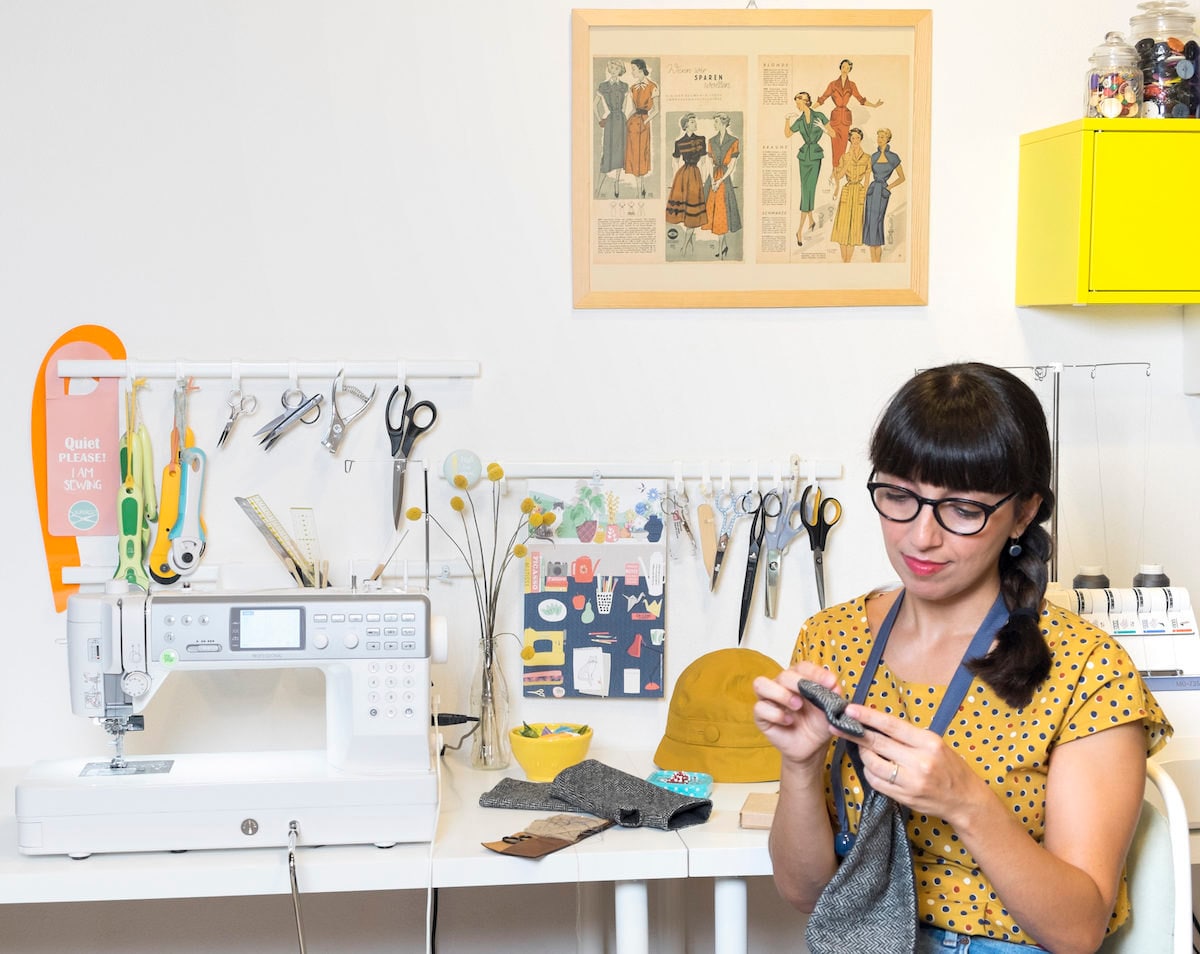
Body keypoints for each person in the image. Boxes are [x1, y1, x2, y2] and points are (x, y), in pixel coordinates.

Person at [753, 362, 1171, 954]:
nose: (921, 537)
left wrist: (965, 800)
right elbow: (806, 892)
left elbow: (1078, 930)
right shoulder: (830, 639)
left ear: (1024, 512)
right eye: (899, 496)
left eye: (963, 509)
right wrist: (798, 768)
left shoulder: (1088, 669)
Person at [784, 92, 828, 246]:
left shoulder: (820, 116)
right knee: (805, 189)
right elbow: (788, 134)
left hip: (815, 156)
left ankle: (799, 230)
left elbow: (834, 134)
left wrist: (824, 128)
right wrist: (787, 119)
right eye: (796, 103)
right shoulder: (800, 120)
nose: (797, 105)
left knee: (809, 189)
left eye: (798, 102)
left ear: (806, 102)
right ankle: (810, 220)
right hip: (803, 158)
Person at [665, 113, 707, 255]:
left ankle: (685, 246)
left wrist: (705, 177)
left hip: (695, 175)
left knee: (693, 213)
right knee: (686, 213)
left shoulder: (701, 140)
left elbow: (703, 161)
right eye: (692, 122)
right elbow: (675, 161)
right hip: (682, 176)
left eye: (695, 121)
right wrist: (675, 179)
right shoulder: (679, 142)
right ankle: (687, 246)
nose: (695, 123)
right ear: (686, 125)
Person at [863, 128, 906, 263]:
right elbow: (867, 175)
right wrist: (864, 192)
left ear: (888, 139)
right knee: (870, 222)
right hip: (872, 191)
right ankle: (873, 261)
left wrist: (888, 187)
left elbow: (902, 178)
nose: (879, 139)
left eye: (882, 137)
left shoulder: (894, 157)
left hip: (882, 192)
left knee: (877, 221)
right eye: (878, 136)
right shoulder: (873, 157)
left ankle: (878, 261)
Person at [703, 113, 742, 259]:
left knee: (721, 212)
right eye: (714, 122)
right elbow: (708, 161)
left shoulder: (734, 141)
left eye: (717, 122)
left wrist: (720, 181)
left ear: (724, 123)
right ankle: (724, 246)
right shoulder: (711, 140)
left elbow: (732, 165)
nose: (715, 125)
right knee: (713, 212)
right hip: (712, 177)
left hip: (724, 179)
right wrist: (712, 179)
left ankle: (721, 249)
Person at [829, 127, 870, 263]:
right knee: (843, 226)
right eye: (853, 138)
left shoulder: (867, 157)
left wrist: (864, 192)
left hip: (859, 191)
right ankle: (843, 260)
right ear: (850, 140)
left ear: (861, 139)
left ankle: (849, 261)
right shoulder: (844, 157)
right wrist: (847, 162)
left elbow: (868, 178)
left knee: (855, 227)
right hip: (847, 190)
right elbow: (839, 176)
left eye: (858, 138)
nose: (856, 140)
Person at [593, 59, 628, 198]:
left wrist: (624, 120)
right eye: (611, 67)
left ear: (620, 71)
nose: (613, 70)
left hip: (622, 122)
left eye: (616, 68)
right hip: (611, 121)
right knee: (607, 151)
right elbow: (594, 105)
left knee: (620, 151)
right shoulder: (603, 86)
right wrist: (599, 120)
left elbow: (625, 106)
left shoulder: (625, 86)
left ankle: (617, 183)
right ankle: (598, 185)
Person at [624, 58, 658, 198]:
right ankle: (639, 189)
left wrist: (646, 122)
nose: (632, 72)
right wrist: (626, 122)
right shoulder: (632, 88)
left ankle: (641, 188)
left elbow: (656, 110)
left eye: (633, 69)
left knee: (642, 154)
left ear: (640, 68)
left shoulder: (652, 86)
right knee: (633, 154)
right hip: (633, 124)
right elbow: (633, 109)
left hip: (644, 123)